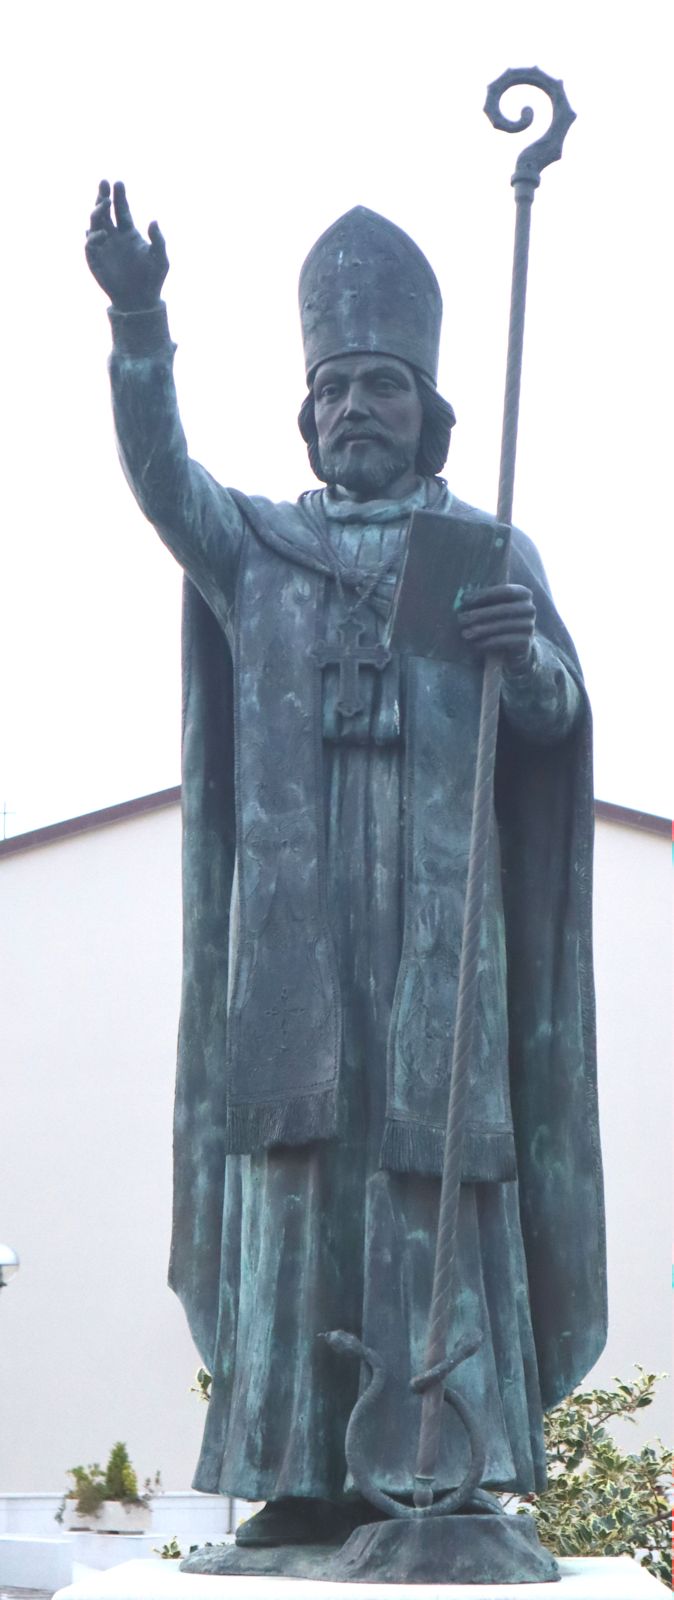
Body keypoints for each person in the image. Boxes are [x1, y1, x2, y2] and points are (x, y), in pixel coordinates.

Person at [86, 183, 606, 1549]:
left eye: (383, 385)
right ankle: (301, 1470)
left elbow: (548, 731)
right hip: (302, 932)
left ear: (425, 408)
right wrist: (140, 321)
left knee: (430, 1171)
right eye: (334, 390)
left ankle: (446, 1469)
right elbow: (159, 478)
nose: (357, 408)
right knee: (303, 1172)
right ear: (308, 417)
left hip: (441, 929)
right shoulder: (255, 549)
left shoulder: (479, 554)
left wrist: (526, 659)